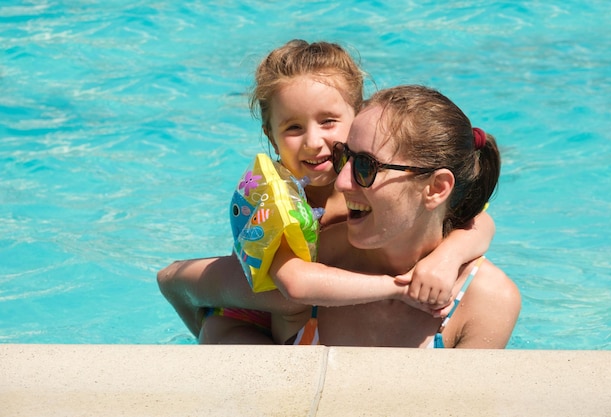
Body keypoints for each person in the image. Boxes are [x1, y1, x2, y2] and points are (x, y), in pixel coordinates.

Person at [157, 40, 496, 345]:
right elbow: (295, 285)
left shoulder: (372, 178)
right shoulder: (276, 197)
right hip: (255, 308)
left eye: (328, 121)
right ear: (271, 135)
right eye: (293, 127)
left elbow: (478, 221)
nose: (313, 141)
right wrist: (402, 287)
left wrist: (445, 259)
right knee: (219, 331)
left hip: (309, 310)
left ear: (361, 117)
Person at [286, 85, 521, 347]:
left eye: (366, 167)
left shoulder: (487, 300)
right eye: (343, 157)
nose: (340, 182)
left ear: (436, 188)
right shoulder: (314, 260)